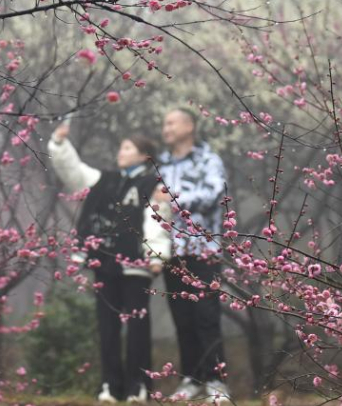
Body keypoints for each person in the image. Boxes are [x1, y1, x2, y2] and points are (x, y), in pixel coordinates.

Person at [49, 122, 171, 404]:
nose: (121, 153)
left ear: (144, 155)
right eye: (121, 147)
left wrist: (156, 256)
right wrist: (59, 143)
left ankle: (138, 386)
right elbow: (74, 171)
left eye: (127, 148)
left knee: (138, 326)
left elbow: (159, 219)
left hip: (136, 265)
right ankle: (110, 387)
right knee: (107, 326)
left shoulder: (153, 184)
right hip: (104, 263)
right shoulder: (106, 179)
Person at [154, 108, 231, 404]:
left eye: (171, 122)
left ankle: (216, 380)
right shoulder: (161, 163)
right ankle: (192, 379)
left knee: (206, 316)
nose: (166, 128)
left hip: (202, 249)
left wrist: (173, 199)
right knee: (182, 319)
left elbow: (213, 196)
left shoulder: (208, 161)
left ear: (190, 126)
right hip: (172, 251)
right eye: (165, 123)